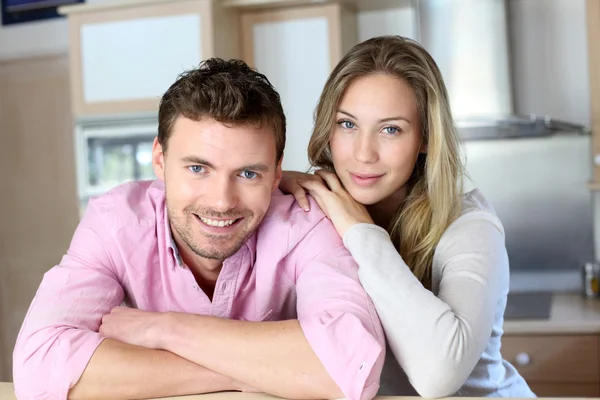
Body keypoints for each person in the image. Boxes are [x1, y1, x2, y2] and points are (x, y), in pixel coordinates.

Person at [12, 58, 385, 400]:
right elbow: (38, 366)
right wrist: (257, 372)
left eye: (248, 173)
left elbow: (352, 366)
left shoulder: (306, 223)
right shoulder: (116, 222)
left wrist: (164, 330)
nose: (222, 201)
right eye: (197, 169)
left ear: (276, 173)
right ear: (160, 160)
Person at [279, 36, 536, 398]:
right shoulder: (310, 212)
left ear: (426, 138)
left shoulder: (469, 226)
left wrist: (360, 230)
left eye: (391, 129)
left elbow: (438, 376)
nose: (364, 153)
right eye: (348, 125)